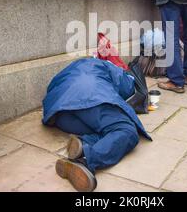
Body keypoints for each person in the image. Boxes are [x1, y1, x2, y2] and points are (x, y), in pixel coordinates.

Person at [42, 58, 152, 192]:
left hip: (58, 114)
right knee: (127, 130)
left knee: (105, 130)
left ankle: (83, 144)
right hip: (88, 98)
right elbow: (126, 92)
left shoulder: (82, 63)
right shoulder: (118, 72)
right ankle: (85, 160)